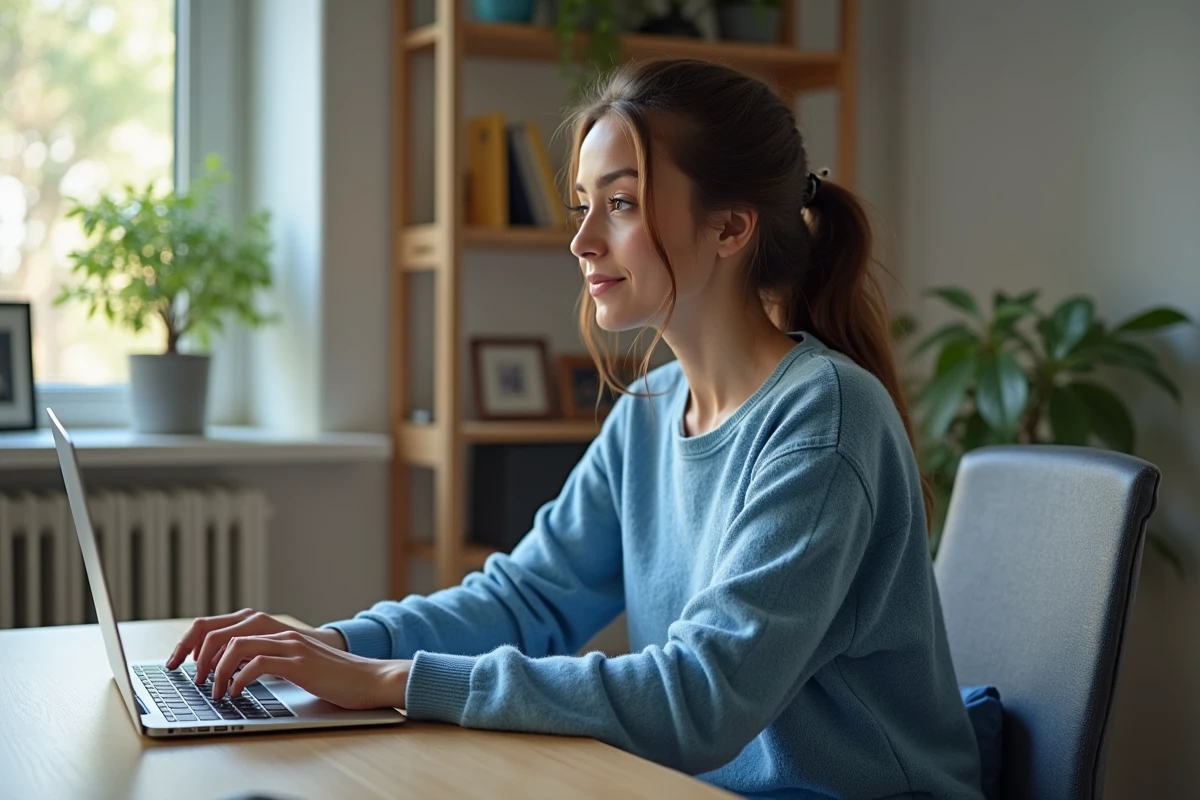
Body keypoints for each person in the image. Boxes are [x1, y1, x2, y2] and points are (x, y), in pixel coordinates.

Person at [167, 59, 984, 799]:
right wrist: (334, 643)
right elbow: (526, 598)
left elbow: (699, 701)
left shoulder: (825, 420)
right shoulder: (652, 410)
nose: (582, 240)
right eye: (584, 205)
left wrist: (393, 679)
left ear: (732, 228)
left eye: (621, 204)